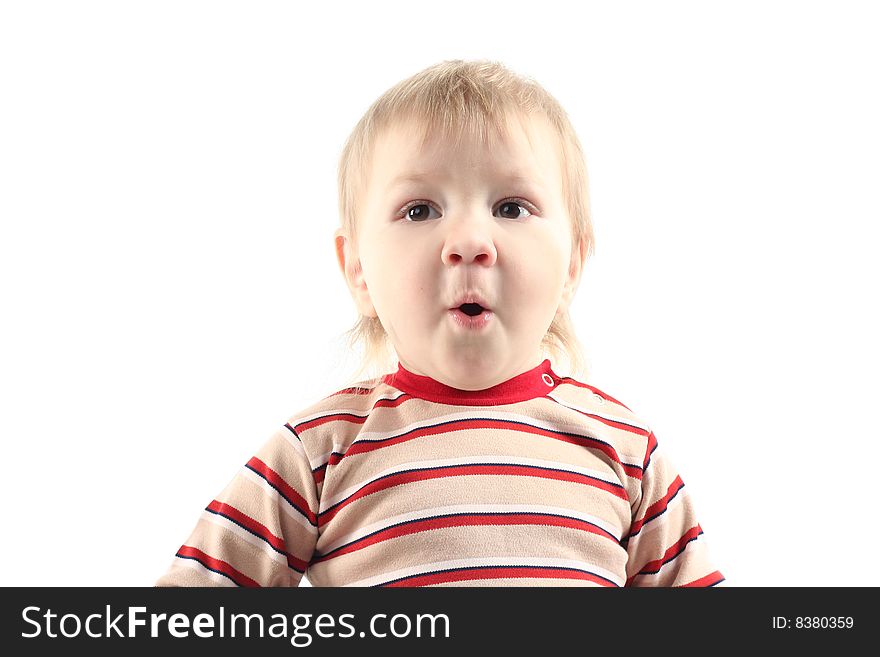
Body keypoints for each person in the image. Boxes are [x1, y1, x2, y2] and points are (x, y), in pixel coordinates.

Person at [156, 59, 724, 587]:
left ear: (572, 264)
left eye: (511, 207)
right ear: (358, 269)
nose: (471, 243)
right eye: (420, 210)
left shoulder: (628, 452)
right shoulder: (316, 452)